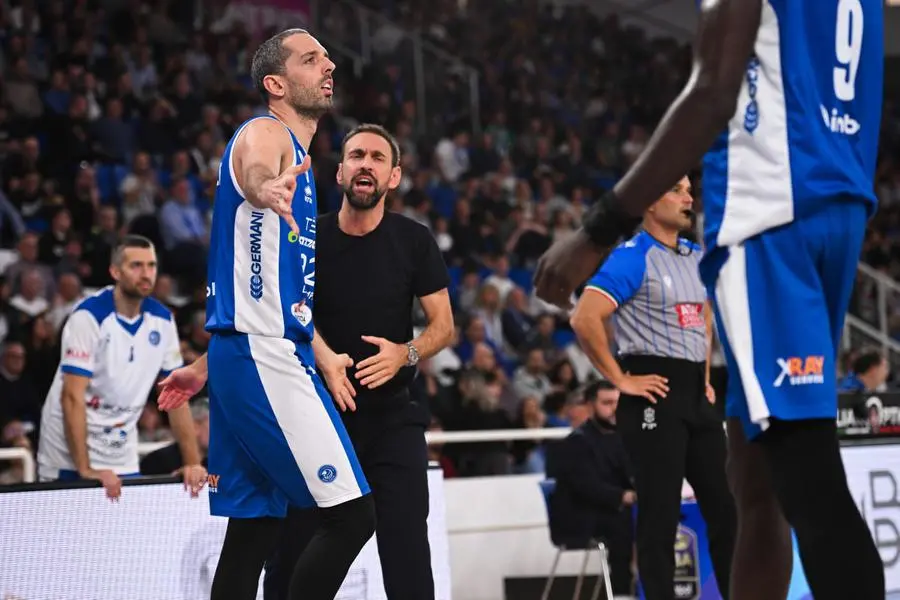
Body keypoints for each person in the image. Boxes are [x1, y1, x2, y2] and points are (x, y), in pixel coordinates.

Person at [533, 1, 886, 599]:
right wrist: (621, 377)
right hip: (838, 200)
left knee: (806, 476)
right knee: (753, 481)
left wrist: (597, 228)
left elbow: (713, 91)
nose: (684, 195)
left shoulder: (652, 252)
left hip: (770, 213)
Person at [156, 29, 376, 600]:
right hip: (264, 356)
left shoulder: (300, 161)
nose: (328, 65)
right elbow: (255, 172)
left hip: (244, 354)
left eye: (328, 56)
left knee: (254, 527)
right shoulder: (266, 135)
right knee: (351, 515)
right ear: (276, 84)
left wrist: (207, 367)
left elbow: (268, 293)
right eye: (311, 59)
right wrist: (263, 189)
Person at [263, 123, 455, 600]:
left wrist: (405, 353)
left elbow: (443, 326)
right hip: (320, 417)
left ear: (393, 176)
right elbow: (284, 311)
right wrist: (324, 355)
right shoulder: (307, 236)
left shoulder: (414, 240)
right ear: (341, 170)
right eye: (356, 156)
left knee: (408, 547)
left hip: (394, 417)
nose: (365, 163)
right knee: (295, 551)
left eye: (376, 157)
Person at [569, 176, 736, 599]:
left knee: (725, 508)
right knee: (660, 516)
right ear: (648, 201)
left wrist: (703, 379)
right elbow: (585, 318)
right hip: (653, 394)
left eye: (688, 190)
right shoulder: (632, 257)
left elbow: (705, 318)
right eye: (676, 190)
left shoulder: (697, 256)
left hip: (695, 391)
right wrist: (620, 379)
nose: (688, 198)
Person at [36, 235, 206, 500]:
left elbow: (176, 394)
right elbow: (71, 397)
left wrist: (193, 462)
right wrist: (86, 468)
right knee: (67, 538)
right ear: (115, 271)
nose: (146, 273)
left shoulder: (162, 320)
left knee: (122, 535)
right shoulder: (88, 317)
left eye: (151, 266)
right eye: (136, 265)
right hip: (66, 452)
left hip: (120, 448)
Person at [545, 380, 636, 598]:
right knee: (623, 523)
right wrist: (623, 496)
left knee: (656, 518)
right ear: (590, 406)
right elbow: (586, 486)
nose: (614, 409)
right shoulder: (577, 442)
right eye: (607, 403)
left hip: (608, 509)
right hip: (579, 515)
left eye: (617, 402)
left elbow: (631, 475)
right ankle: (623, 593)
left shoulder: (622, 437)